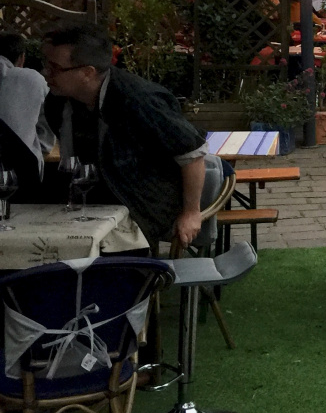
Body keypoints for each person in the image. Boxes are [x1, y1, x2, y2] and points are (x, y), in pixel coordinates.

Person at [40, 22, 209, 249]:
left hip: (144, 208)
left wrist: (191, 213)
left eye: (55, 67)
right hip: (97, 206)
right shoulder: (58, 102)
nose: (45, 73)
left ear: (87, 73)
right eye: (45, 64)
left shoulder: (139, 100)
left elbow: (192, 153)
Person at [0, 32, 53, 202]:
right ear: (22, 58)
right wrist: (37, 148)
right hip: (21, 173)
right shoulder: (33, 80)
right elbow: (49, 123)